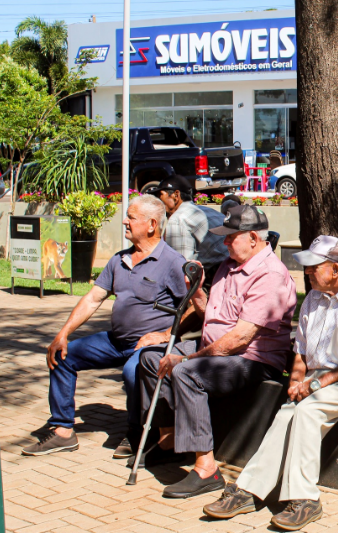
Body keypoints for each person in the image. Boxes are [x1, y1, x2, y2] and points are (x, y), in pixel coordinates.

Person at [202, 235, 338, 530]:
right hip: (322, 376)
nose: (307, 272)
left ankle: (306, 499)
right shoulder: (313, 298)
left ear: (335, 269)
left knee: (308, 411)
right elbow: (301, 349)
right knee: (287, 413)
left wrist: (314, 385)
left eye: (314, 267)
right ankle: (249, 490)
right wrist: (296, 380)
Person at [135, 205, 297, 498]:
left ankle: (206, 469)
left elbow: (240, 339)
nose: (224, 242)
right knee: (150, 359)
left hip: (252, 359)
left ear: (252, 238)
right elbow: (210, 315)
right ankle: (170, 441)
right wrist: (196, 291)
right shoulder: (228, 265)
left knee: (186, 372)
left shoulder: (270, 274)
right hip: (216, 350)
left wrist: (187, 358)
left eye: (230, 237)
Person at [21, 195, 187, 459]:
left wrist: (165, 335)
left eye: (131, 217)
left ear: (152, 225)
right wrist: (63, 333)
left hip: (149, 347)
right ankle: (63, 431)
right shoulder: (119, 259)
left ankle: (138, 431)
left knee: (134, 372)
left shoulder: (172, 262)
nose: (124, 221)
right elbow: (92, 299)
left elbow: (192, 307)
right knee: (63, 355)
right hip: (116, 341)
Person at [150, 175, 228, 287]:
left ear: (176, 196)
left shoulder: (178, 219)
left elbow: (180, 270)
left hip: (217, 279)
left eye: (160, 195)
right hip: (232, 272)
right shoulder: (206, 210)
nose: (158, 201)